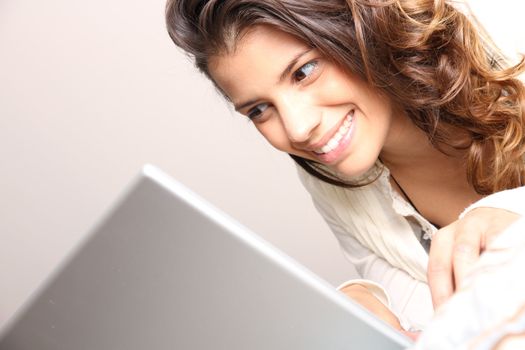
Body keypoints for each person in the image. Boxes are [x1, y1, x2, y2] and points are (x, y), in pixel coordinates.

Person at [165, 0, 525, 335]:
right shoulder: (329, 177)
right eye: (259, 110)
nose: (298, 128)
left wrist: (510, 212)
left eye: (304, 71)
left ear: (359, 29)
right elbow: (435, 321)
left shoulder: (505, 34)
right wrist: (364, 301)